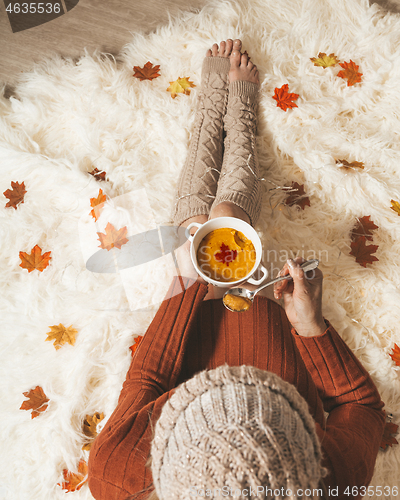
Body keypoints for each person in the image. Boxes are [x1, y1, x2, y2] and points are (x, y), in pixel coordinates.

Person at [87, 40, 385, 500]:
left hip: (187, 334)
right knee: (228, 216)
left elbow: (149, 381)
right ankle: (238, 117)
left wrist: (186, 281)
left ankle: (212, 110)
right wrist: (311, 326)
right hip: (269, 323)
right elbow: (360, 405)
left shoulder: (115, 475)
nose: (239, 379)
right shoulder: (330, 483)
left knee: (195, 228)